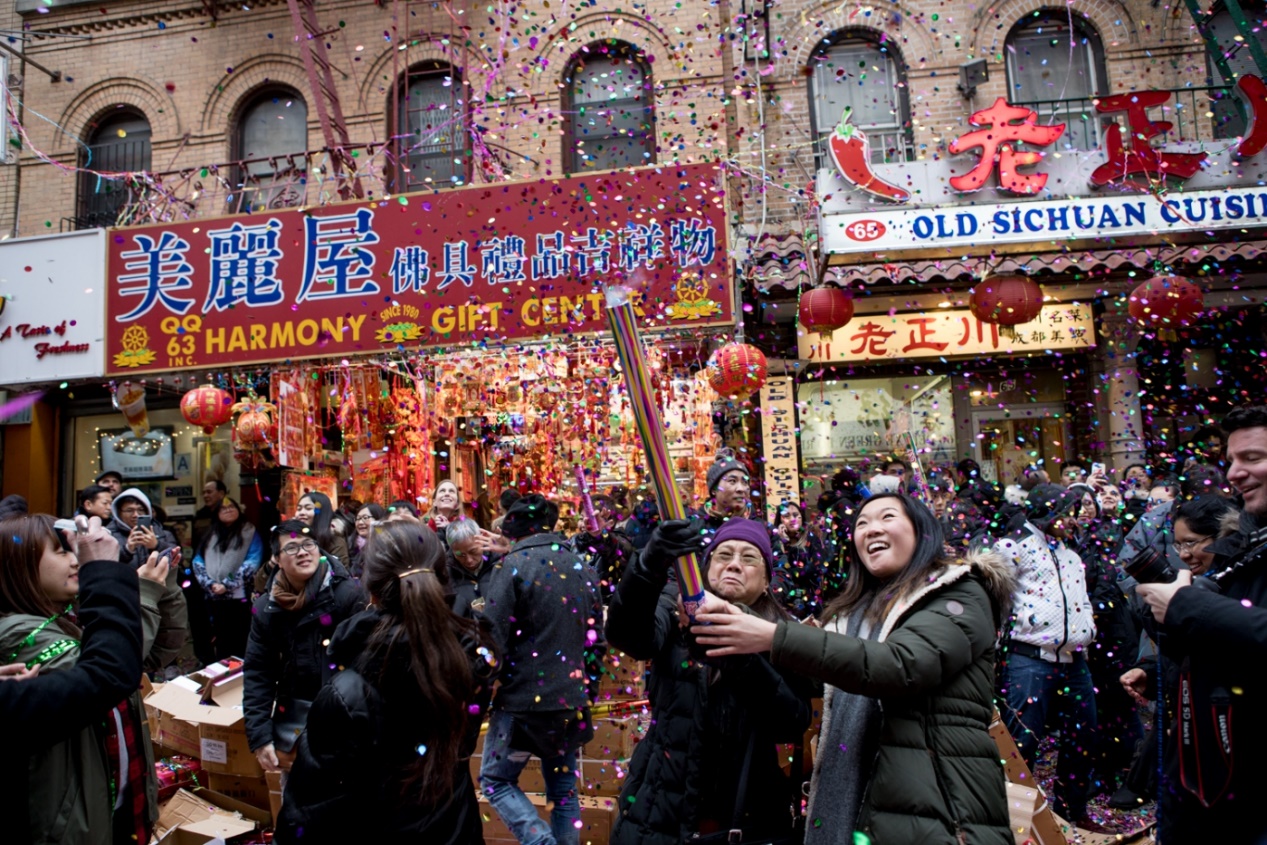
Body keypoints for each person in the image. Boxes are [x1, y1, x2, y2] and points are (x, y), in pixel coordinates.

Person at [690, 495, 1012, 844]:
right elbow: (820, 671)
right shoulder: (853, 613)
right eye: (861, 523)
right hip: (866, 796)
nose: (872, 528)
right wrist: (737, 618)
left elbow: (898, 666)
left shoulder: (959, 592)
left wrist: (772, 635)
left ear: (922, 531)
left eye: (887, 517)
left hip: (941, 804)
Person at [276, 520, 497, 844]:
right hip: (454, 827)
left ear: (373, 589)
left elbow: (308, 815)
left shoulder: (347, 693)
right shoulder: (469, 657)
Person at [605, 518, 813, 845]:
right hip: (660, 807)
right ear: (707, 566)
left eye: (749, 558)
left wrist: (739, 657)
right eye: (724, 555)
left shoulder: (780, 633)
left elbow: (791, 721)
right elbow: (627, 634)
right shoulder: (678, 607)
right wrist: (648, 565)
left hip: (746, 813)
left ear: (766, 580)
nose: (734, 564)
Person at [1131, 406, 1267, 842]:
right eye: (1231, 460)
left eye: (1253, 458)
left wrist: (1186, 606)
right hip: (1214, 778)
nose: (1235, 473)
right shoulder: (1248, 544)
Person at [0, 512, 170, 845]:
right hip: (74, 822)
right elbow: (111, 670)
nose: (76, 559)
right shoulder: (19, 632)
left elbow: (155, 654)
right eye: (61, 551)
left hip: (109, 802)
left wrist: (165, 589)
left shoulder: (68, 619)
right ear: (17, 567)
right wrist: (139, 593)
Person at [478, 494, 605, 845]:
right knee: (563, 790)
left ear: (515, 530)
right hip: (569, 701)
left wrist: (482, 683)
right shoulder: (581, 567)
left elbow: (493, 638)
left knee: (496, 780)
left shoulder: (512, 567)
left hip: (521, 704)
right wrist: (586, 689)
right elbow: (597, 641)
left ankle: (541, 842)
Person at [993, 484, 1103, 829]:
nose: (1073, 520)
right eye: (1067, 513)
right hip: (1029, 660)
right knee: (1023, 742)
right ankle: (1018, 822)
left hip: (1075, 661)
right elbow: (994, 595)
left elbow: (1083, 600)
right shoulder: (1014, 547)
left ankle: (1073, 813)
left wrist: (1087, 629)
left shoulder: (1071, 554)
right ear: (1048, 514)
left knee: (1083, 736)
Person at [244, 520, 366, 773]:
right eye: (291, 548)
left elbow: (367, 664)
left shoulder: (349, 594)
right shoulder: (267, 608)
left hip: (348, 720)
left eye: (309, 544)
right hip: (294, 723)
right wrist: (260, 736)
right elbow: (258, 672)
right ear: (276, 559)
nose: (302, 552)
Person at [107, 487, 187, 674]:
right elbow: (104, 566)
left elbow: (177, 556)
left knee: (163, 638)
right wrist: (128, 548)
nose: (135, 515)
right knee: (131, 645)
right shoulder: (108, 534)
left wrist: (156, 545)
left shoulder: (161, 532)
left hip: (159, 597)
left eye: (140, 510)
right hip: (123, 601)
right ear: (118, 512)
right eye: (129, 510)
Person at [191, 496, 264, 661]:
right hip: (214, 598)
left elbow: (253, 562)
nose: (228, 510)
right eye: (223, 508)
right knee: (220, 641)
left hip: (241, 599)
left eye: (232, 507)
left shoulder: (249, 531)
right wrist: (210, 584)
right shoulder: (210, 534)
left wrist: (227, 584)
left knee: (241, 640)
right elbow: (197, 561)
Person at [771, 500, 837, 619]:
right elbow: (779, 571)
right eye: (787, 516)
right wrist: (783, 544)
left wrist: (793, 572)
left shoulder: (811, 538)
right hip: (785, 605)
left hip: (811, 602)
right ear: (779, 520)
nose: (793, 519)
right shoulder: (774, 542)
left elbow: (815, 567)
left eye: (796, 515)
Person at [573, 493, 636, 603]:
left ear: (610, 523)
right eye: (582, 518)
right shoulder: (576, 542)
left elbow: (612, 548)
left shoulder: (620, 542)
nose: (584, 524)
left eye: (592, 520)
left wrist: (599, 536)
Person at [446, 517, 509, 618]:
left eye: (473, 551)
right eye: (460, 555)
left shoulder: (503, 560)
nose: (469, 560)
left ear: (482, 538)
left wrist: (510, 548)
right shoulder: (445, 573)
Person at [294, 490, 350, 565]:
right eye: (299, 509)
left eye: (308, 508)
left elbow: (339, 572)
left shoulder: (335, 541)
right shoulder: (291, 536)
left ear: (321, 512)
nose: (301, 513)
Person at [348, 502, 387, 579]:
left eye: (365, 518)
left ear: (378, 520)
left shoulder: (386, 544)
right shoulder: (350, 543)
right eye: (357, 518)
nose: (360, 522)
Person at [192, 480, 228, 549]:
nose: (205, 496)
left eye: (209, 492)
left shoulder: (230, 513)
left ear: (221, 494)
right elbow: (195, 543)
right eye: (204, 493)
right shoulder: (200, 516)